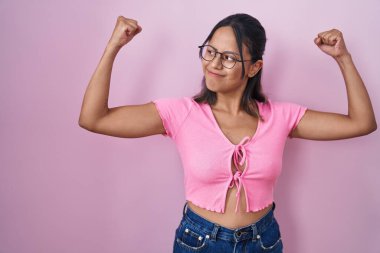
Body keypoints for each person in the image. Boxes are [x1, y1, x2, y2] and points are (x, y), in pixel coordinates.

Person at [78, 13, 377, 253]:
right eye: (210, 51)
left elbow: (361, 123)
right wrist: (112, 47)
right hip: (198, 242)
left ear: (254, 67)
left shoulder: (281, 117)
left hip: (264, 242)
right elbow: (94, 118)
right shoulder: (179, 113)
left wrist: (343, 58)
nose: (214, 64)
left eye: (229, 58)